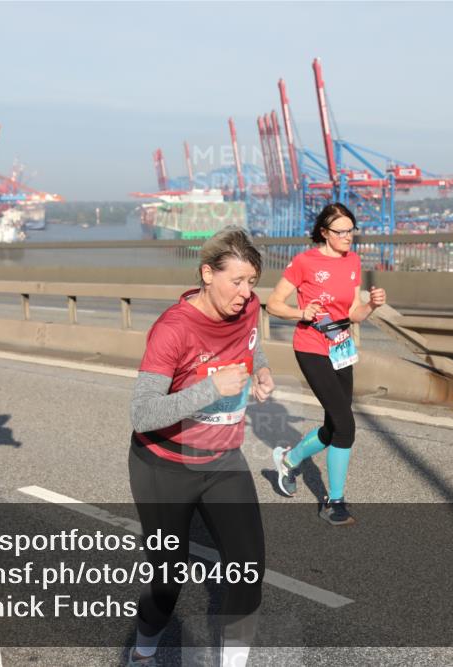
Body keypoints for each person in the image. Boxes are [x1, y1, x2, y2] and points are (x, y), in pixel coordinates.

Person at [127, 227, 274, 667]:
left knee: (249, 571)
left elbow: (251, 343)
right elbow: (143, 413)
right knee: (168, 583)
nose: (246, 293)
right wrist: (211, 388)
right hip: (164, 465)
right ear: (208, 273)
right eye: (237, 281)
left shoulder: (248, 307)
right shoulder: (173, 329)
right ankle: (143, 648)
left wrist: (262, 371)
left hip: (223, 458)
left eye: (252, 282)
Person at [265, 203, 387, 526]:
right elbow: (273, 304)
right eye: (341, 232)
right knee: (346, 424)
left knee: (334, 426)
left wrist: (371, 306)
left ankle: (289, 461)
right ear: (324, 232)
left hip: (340, 347)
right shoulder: (305, 262)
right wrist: (299, 313)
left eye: (351, 231)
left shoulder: (353, 261)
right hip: (311, 347)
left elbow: (353, 313)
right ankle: (334, 503)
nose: (348, 237)